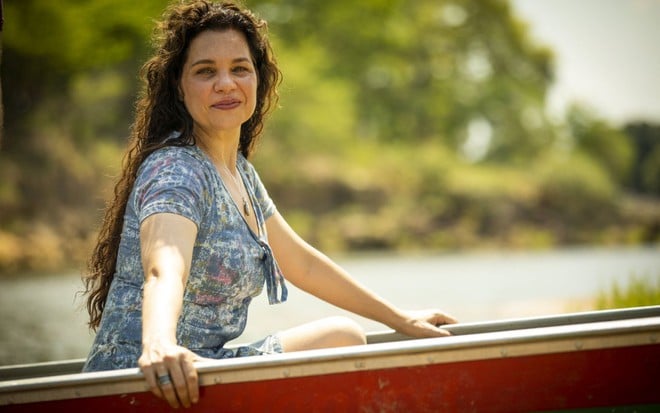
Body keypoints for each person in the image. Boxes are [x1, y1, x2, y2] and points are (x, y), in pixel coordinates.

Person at [81, 0, 457, 409]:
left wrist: (400, 318)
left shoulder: (239, 173)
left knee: (342, 337)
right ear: (178, 85)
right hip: (146, 377)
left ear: (258, 80)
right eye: (206, 71)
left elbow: (304, 265)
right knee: (342, 339)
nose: (226, 83)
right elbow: (164, 267)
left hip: (206, 368)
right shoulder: (176, 170)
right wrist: (158, 344)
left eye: (239, 68)